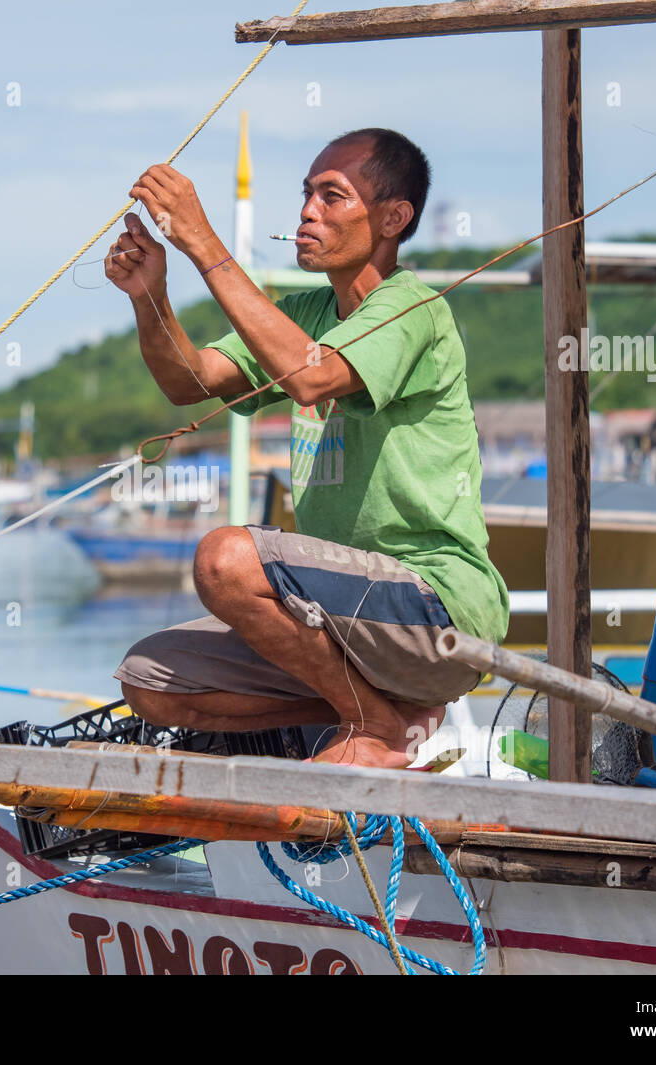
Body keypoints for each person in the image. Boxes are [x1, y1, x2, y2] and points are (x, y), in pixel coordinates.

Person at [103, 128, 508, 768]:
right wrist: (151, 294)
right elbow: (192, 381)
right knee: (150, 679)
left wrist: (203, 242)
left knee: (225, 560)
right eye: (306, 194)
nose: (307, 212)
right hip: (339, 621)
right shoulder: (309, 311)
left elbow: (310, 376)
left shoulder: (414, 308)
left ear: (392, 219)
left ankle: (368, 724)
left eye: (332, 196)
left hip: (435, 610)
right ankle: (384, 719)